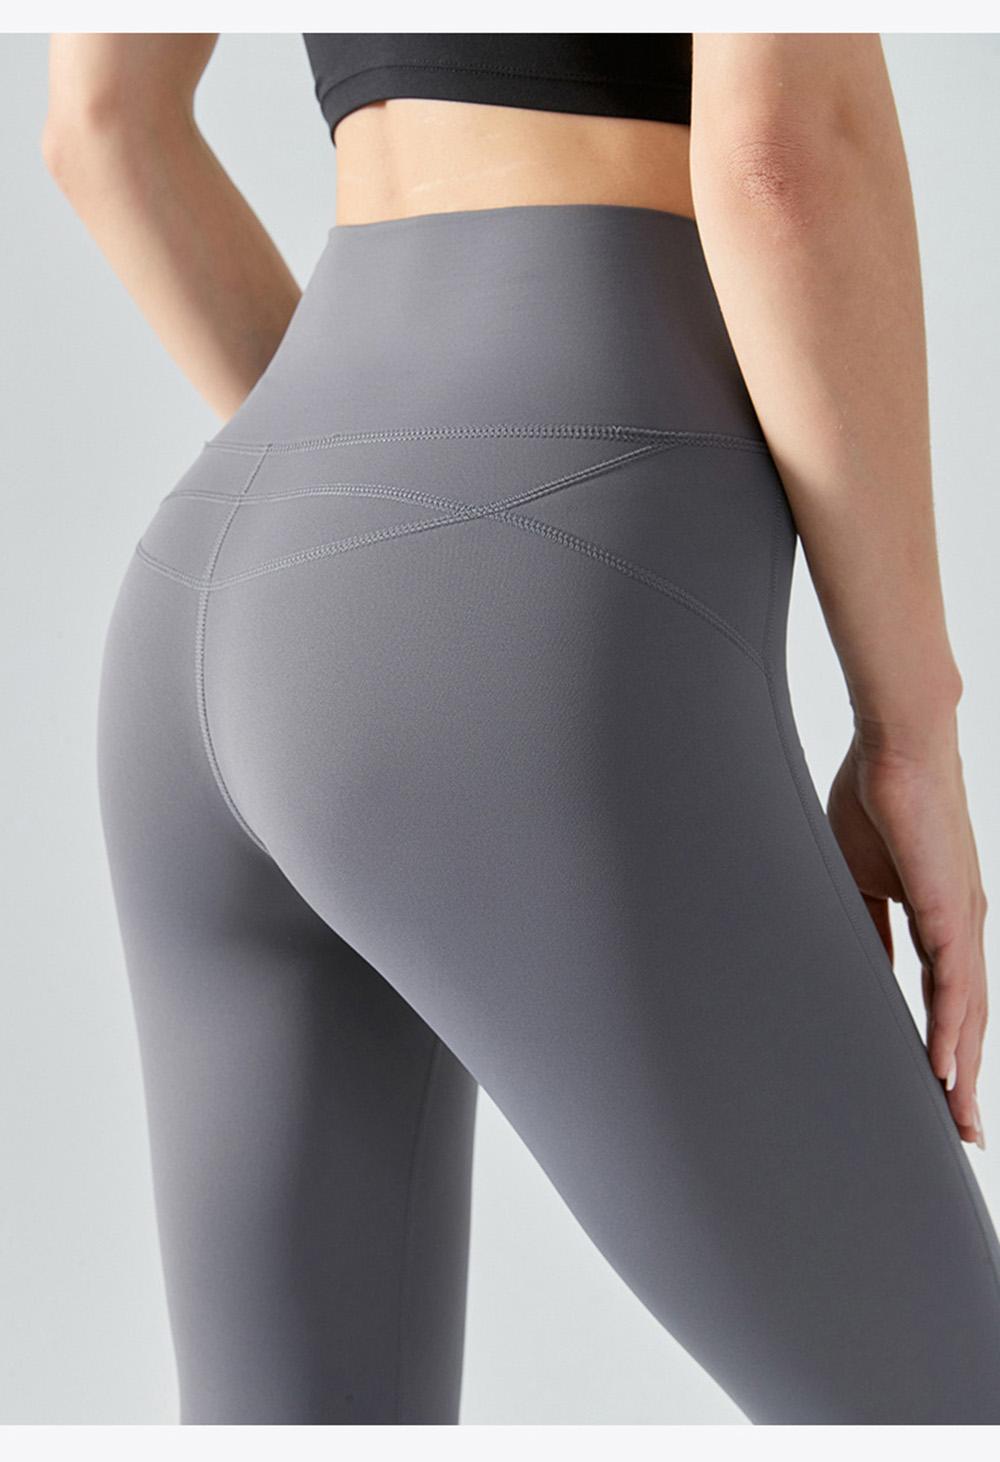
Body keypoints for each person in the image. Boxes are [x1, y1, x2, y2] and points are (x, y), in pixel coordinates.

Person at [42, 31, 1000, 1425]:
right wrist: (910, 729)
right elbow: (788, 149)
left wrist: (361, 562)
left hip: (216, 564)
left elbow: (101, 124)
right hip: (536, 533)